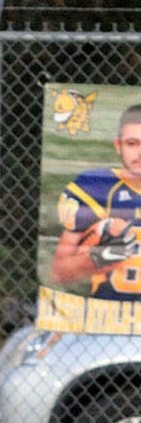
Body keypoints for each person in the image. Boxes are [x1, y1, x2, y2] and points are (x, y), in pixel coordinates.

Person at [48, 104, 141, 298]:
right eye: (132, 143)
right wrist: (96, 258)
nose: (140, 153)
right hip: (109, 311)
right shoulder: (96, 188)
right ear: (118, 145)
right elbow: (58, 273)